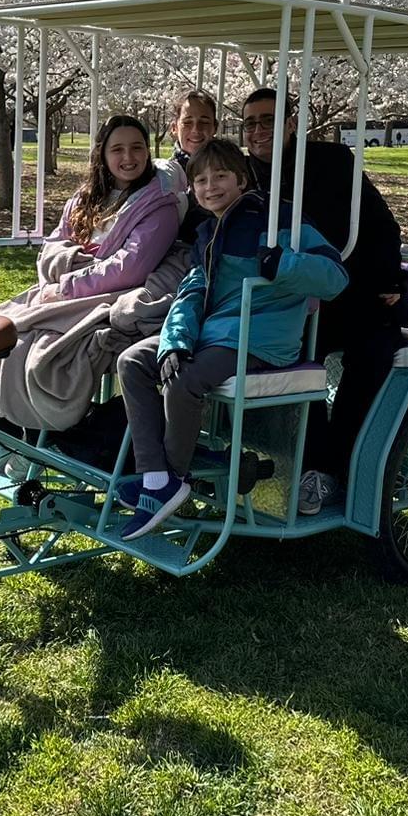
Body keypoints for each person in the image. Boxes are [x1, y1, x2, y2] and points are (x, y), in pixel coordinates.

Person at [114, 139, 347, 538]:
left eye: (220, 175)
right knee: (133, 362)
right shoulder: (207, 231)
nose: (210, 186)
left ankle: (173, 480)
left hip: (259, 337)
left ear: (241, 179)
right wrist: (174, 340)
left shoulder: (277, 219)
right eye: (201, 180)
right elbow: (192, 293)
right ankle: (155, 477)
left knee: (185, 380)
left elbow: (335, 277)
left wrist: (284, 264)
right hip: (216, 334)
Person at [239, 87, 408, 515]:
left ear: (290, 124)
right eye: (250, 123)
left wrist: (389, 276)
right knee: (297, 354)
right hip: (290, 302)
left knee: (371, 356)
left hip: (354, 292)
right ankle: (310, 465)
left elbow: (381, 225)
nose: (258, 131)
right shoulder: (241, 175)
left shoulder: (332, 162)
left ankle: (346, 463)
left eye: (268, 120)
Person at [0, 114, 183, 437]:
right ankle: (11, 440)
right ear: (102, 153)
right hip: (63, 288)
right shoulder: (86, 197)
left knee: (38, 354)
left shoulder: (159, 206)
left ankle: (43, 440)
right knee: (0, 344)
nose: (128, 158)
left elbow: (130, 267)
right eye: (118, 149)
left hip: (104, 296)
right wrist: (65, 265)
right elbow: (55, 242)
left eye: (137, 148)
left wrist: (68, 284)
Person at [154, 90, 219, 240]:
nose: (196, 130)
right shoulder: (162, 175)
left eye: (204, 122)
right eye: (187, 123)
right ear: (174, 128)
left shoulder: (231, 170)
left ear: (215, 127)